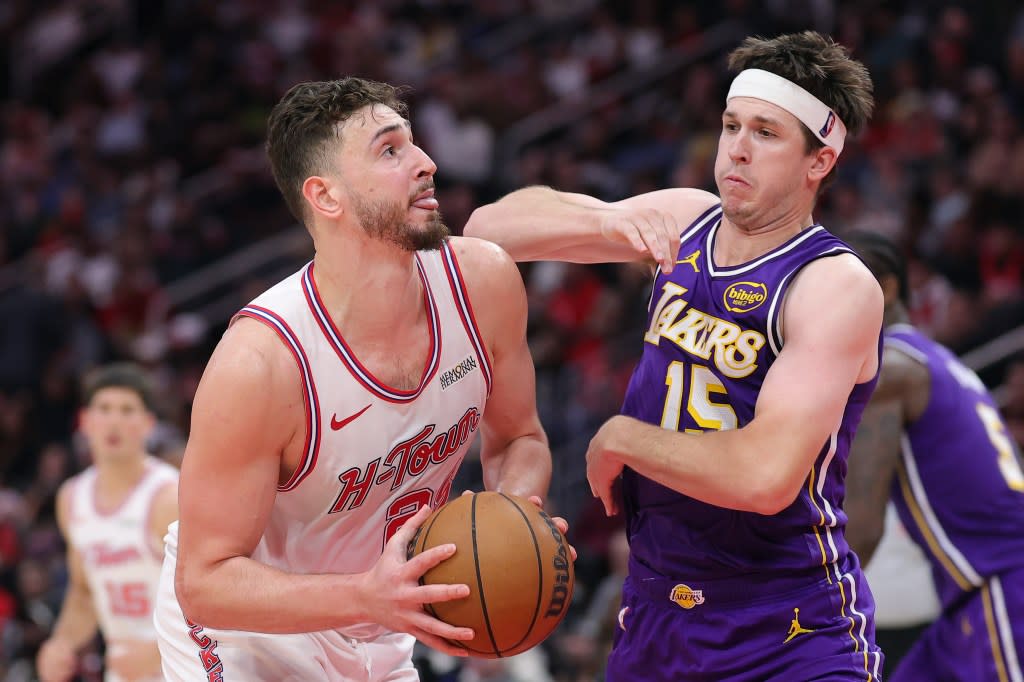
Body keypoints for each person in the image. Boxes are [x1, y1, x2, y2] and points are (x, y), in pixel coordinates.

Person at [465, 31, 885, 680]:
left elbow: (764, 476)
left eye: (767, 134)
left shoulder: (833, 284)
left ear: (819, 162)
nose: (737, 149)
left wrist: (625, 438)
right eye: (730, 125)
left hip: (787, 626)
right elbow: (487, 230)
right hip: (657, 613)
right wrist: (607, 225)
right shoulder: (687, 218)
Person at [153, 77, 555, 681]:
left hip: (381, 620)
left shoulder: (485, 284)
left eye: (414, 144)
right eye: (391, 151)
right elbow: (205, 582)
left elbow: (520, 438)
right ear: (327, 196)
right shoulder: (261, 364)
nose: (427, 163)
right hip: (248, 633)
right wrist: (367, 593)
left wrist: (514, 522)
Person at [841, 231, 1024, 681]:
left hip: (1003, 582)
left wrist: (784, 605)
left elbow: (862, 530)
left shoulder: (888, 373)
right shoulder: (934, 358)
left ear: (884, 289)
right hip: (966, 599)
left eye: (833, 288)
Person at [36, 363, 179, 682]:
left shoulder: (169, 498)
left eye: (127, 410)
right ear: (85, 422)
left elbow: (210, 597)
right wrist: (61, 644)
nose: (114, 421)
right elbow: (84, 594)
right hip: (121, 670)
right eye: (104, 409)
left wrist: (160, 650)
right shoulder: (71, 498)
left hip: (180, 668)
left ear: (148, 424)